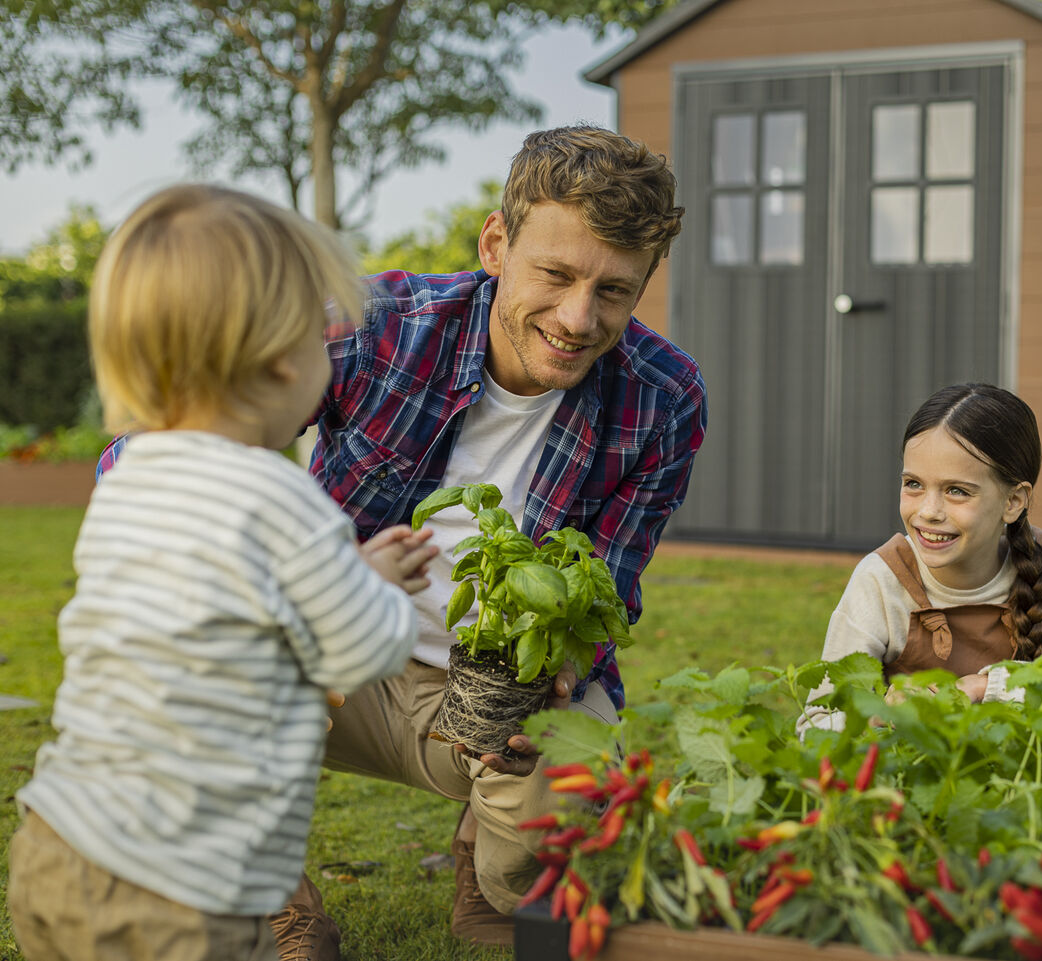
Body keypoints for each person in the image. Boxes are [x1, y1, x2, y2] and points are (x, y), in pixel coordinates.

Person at [92, 125, 706, 957]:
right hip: (331, 652)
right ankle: (279, 903)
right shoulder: (377, 326)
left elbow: (608, 585)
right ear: (497, 243)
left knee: (569, 808)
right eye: (555, 275)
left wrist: (563, 673)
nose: (576, 317)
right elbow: (170, 442)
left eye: (614, 292)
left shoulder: (664, 397)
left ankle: (480, 858)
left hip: (491, 687)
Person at [9, 184, 435, 961]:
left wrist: (350, 570)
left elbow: (232, 607)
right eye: (321, 340)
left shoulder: (130, 481)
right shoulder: (281, 495)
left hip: (61, 842)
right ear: (280, 363)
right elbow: (360, 654)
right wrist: (383, 591)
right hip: (182, 886)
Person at [801, 383, 1042, 732]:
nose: (929, 511)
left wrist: (986, 689)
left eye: (957, 491)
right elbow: (815, 727)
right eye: (914, 484)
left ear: (1013, 502)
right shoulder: (883, 577)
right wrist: (882, 714)